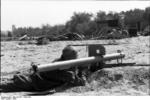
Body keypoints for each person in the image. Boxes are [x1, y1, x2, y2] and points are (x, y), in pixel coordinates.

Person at [0, 46, 86, 92]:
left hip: (31, 76)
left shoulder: (57, 62)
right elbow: (81, 82)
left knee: (7, 82)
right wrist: (82, 71)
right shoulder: (66, 73)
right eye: (75, 58)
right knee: (4, 86)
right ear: (70, 59)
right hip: (30, 82)